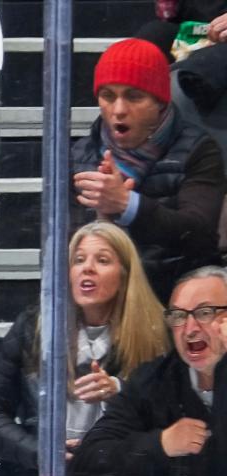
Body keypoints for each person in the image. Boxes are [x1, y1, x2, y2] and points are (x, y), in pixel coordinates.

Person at [0, 222, 165, 476]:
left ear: (125, 275)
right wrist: (39, 452)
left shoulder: (155, 333)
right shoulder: (33, 328)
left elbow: (174, 417)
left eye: (102, 260)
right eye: (78, 260)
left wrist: (122, 392)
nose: (87, 268)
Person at [71, 266, 227, 476]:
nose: (190, 328)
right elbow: (86, 468)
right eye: (178, 316)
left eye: (204, 313)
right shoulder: (153, 382)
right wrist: (159, 444)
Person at [70, 38, 223, 300]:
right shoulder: (79, 155)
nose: (118, 110)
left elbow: (199, 234)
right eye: (108, 96)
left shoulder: (198, 149)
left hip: (172, 296)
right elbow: (62, 244)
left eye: (134, 96)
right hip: (104, 300)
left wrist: (128, 205)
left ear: (160, 102)